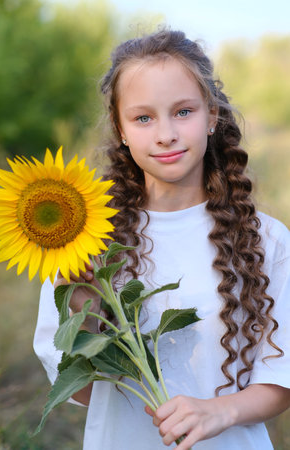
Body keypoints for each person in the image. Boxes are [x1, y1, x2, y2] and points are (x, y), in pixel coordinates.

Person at [33, 29, 290, 449]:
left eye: (183, 112)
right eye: (143, 118)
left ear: (212, 116)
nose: (165, 133)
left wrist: (219, 411)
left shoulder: (267, 240)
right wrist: (80, 297)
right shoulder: (85, 237)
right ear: (121, 128)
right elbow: (80, 390)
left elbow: (283, 377)